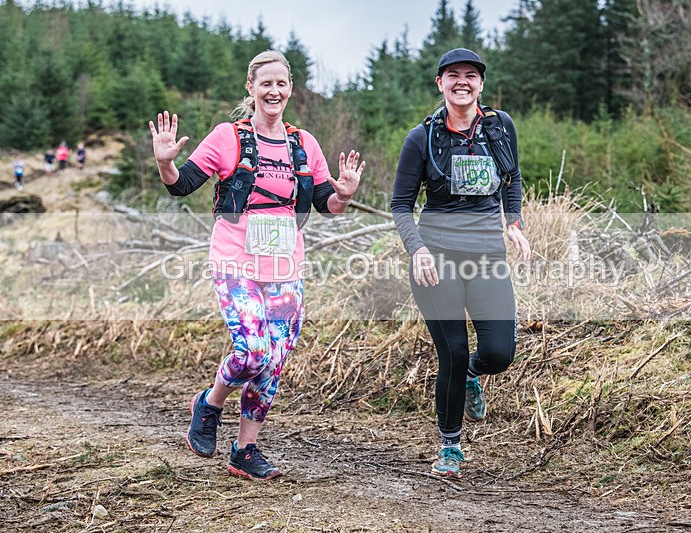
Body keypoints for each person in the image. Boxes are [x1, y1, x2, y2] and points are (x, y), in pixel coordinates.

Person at [149, 50, 364, 481]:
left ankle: (245, 451)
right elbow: (183, 185)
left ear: (290, 89)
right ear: (251, 88)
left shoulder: (304, 144)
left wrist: (344, 192)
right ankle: (210, 402)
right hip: (235, 262)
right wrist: (165, 162)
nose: (274, 91)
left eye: (281, 83)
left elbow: (327, 204)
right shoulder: (228, 136)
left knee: (274, 358)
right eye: (265, 83)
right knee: (253, 351)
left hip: (286, 266)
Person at [391, 48, 531, 479]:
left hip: (488, 255)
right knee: (450, 352)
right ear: (440, 83)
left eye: (470, 75)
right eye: (453, 75)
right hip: (438, 260)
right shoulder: (422, 138)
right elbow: (400, 205)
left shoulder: (499, 127)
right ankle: (450, 445)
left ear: (481, 84)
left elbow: (512, 177)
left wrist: (514, 221)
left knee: (498, 352)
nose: (462, 82)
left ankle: (475, 372)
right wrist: (418, 249)